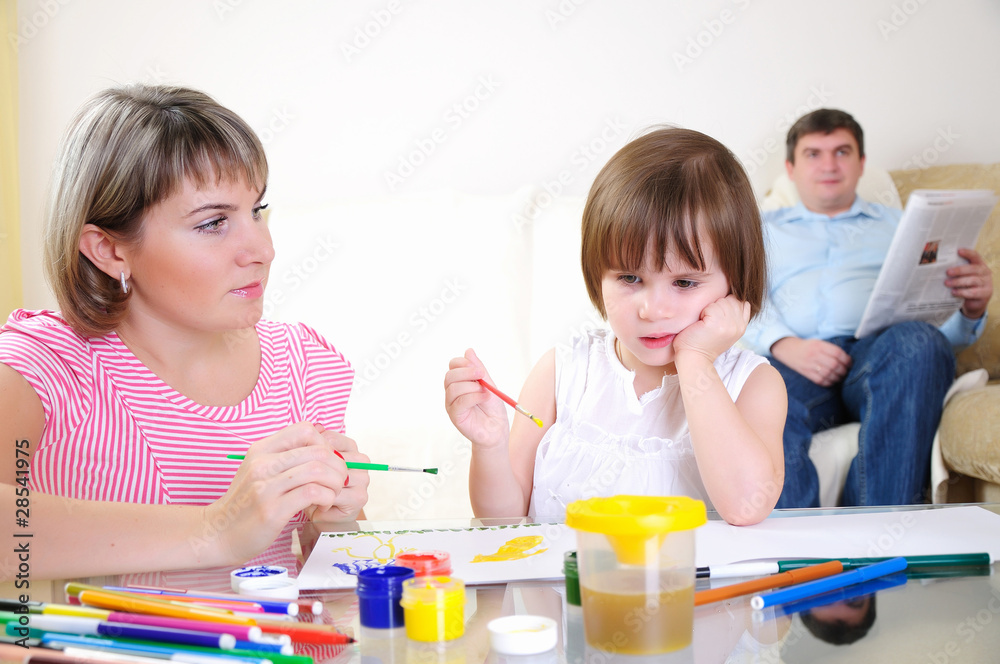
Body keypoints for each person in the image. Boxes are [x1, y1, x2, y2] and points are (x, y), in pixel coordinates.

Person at [0, 84, 370, 581]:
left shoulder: (305, 363)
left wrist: (338, 521)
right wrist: (219, 528)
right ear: (109, 250)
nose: (262, 250)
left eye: (257, 211)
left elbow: (341, 592)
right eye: (213, 222)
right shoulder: (46, 364)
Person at [444, 127, 787, 526]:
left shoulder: (753, 384)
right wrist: (489, 447)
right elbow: (503, 519)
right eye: (629, 278)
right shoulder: (563, 371)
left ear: (735, 281)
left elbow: (746, 507)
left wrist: (695, 358)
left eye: (684, 283)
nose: (653, 310)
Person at [743, 108, 993, 508]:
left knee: (919, 343)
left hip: (882, 357)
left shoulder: (906, 225)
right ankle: (796, 540)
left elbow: (933, 335)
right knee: (757, 390)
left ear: (861, 163)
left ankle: (877, 529)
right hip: (795, 360)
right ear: (790, 168)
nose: (829, 165)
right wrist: (782, 343)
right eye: (813, 154)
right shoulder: (757, 229)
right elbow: (738, 295)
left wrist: (971, 311)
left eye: (842, 152)